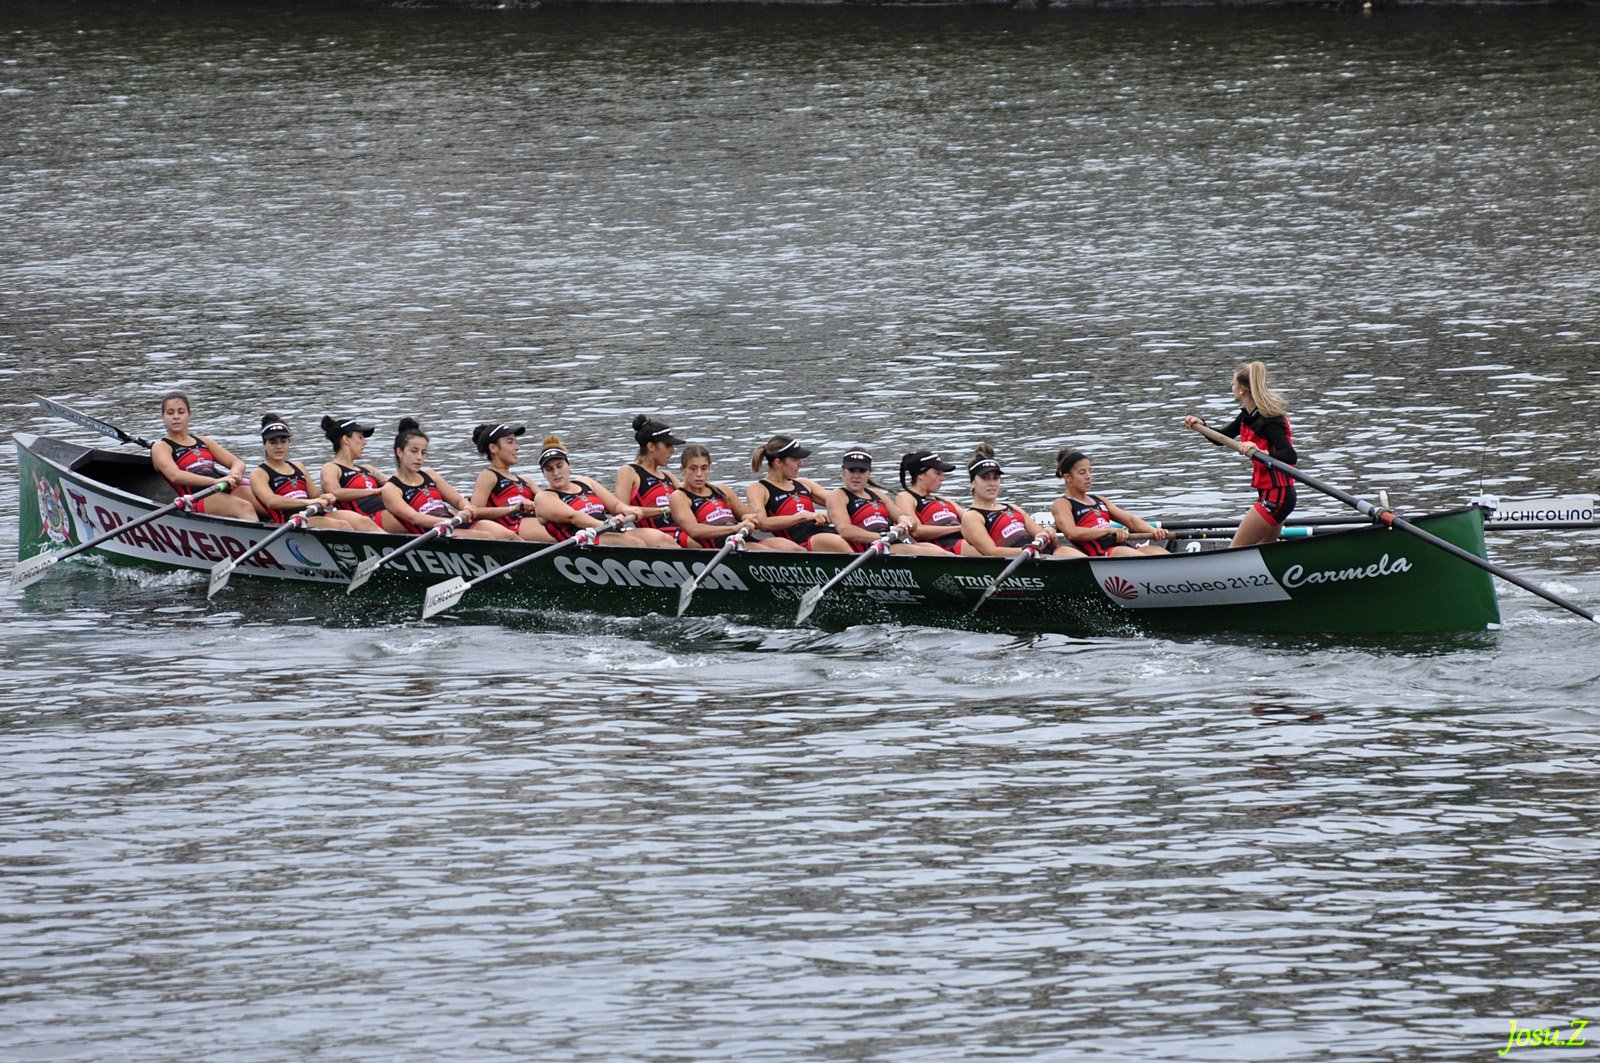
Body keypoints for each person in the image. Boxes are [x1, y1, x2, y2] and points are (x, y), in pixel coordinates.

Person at [1184, 361, 1298, 548]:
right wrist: (1201, 426)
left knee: (1235, 549)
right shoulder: (1247, 415)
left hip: (1277, 496)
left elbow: (1290, 455)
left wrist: (1264, 452)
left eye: (1233, 383)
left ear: (1243, 389)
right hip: (1270, 494)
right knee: (1262, 551)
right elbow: (1223, 438)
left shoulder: (1269, 420)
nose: (1232, 387)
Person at [380, 417, 517, 540]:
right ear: (399, 452)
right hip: (434, 534)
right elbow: (414, 518)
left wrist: (466, 507)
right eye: (414, 451)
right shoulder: (391, 489)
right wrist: (447, 522)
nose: (419, 457)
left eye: (424, 452)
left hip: (453, 523)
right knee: (486, 537)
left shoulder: (430, 475)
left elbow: (457, 499)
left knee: (509, 535)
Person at [533, 436, 682, 548]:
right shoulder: (544, 497)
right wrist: (607, 523)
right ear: (544, 473)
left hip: (608, 530)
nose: (556, 473)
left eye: (559, 466)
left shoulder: (586, 482)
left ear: (568, 465)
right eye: (549, 469)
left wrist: (628, 509)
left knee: (663, 539)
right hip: (584, 540)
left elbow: (616, 505)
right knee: (635, 544)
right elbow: (574, 517)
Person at [249, 415, 380, 532]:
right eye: (273, 442)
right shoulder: (259, 473)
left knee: (363, 522)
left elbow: (316, 495)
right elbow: (272, 502)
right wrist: (308, 502)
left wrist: (326, 497)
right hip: (291, 521)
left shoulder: (298, 466)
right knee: (342, 526)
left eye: (283, 442)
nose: (278, 447)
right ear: (264, 444)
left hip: (313, 513)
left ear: (289, 443)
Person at [149, 392, 261, 520]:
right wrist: (215, 481)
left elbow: (237, 462)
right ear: (163, 417)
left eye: (181, 412)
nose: (176, 417)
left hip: (222, 487)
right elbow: (175, 476)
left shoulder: (204, 441)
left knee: (266, 505)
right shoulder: (161, 447)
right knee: (245, 507)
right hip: (197, 497)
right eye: (170, 413)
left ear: (189, 415)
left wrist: (235, 472)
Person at [667, 445, 800, 551]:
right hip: (722, 546)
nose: (699, 474)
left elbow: (753, 518)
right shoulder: (679, 497)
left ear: (710, 468)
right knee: (772, 554)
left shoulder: (721, 490)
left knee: (794, 549)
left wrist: (747, 518)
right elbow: (694, 531)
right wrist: (735, 528)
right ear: (682, 470)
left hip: (742, 539)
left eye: (704, 468)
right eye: (693, 469)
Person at [960, 444, 1082, 558]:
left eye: (995, 478)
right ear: (972, 483)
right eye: (985, 478)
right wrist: (1030, 550)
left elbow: (1049, 540)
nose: (992, 483)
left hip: (1040, 554)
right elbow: (992, 552)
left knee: (1077, 557)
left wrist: (1049, 534)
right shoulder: (972, 517)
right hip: (1020, 562)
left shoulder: (1013, 507)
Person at [1051, 450, 1171, 558]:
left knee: (1159, 552)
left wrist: (1153, 530)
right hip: (1102, 554)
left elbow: (1130, 521)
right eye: (1082, 473)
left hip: (1123, 548)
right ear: (1068, 477)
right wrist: (1108, 531)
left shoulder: (1100, 500)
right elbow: (1072, 533)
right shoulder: (1062, 504)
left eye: (1090, 471)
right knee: (1133, 555)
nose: (1089, 477)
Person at [824, 449, 945, 555]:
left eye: (861, 471)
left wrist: (905, 521)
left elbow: (909, 521)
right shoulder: (838, 495)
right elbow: (845, 530)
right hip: (871, 548)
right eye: (851, 470)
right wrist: (882, 537)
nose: (856, 476)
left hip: (890, 542)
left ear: (869, 472)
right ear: (843, 471)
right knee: (935, 554)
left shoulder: (878, 494)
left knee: (939, 551)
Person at [746, 436, 852, 553]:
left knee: (858, 536)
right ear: (778, 463)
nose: (801, 464)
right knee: (840, 542)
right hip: (800, 541)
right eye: (795, 460)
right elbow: (762, 523)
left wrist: (834, 515)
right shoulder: (759, 488)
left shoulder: (804, 483)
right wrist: (804, 516)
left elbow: (842, 502)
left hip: (824, 532)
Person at [468, 422, 555, 543]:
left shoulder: (526, 481)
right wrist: (514, 508)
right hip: (511, 526)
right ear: (493, 448)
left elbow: (549, 504)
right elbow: (475, 512)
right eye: (510, 442)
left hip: (531, 521)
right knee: (559, 534)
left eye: (516, 442)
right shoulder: (488, 476)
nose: (517, 447)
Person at [615, 414, 692, 547]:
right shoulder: (629, 472)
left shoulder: (668, 476)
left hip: (679, 527)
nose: (672, 450)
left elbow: (691, 500)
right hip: (656, 534)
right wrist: (665, 510)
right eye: (668, 445)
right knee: (697, 541)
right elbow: (622, 511)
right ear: (651, 446)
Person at [319, 415, 404, 533]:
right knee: (410, 519)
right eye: (360, 437)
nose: (365, 443)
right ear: (346, 440)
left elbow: (396, 483)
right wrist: (375, 491)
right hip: (367, 519)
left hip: (388, 512)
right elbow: (334, 492)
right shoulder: (331, 468)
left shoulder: (368, 469)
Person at [894, 450, 967, 554]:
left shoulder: (944, 500)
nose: (942, 478)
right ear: (921, 475)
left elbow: (970, 519)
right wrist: (959, 528)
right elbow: (916, 531)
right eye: (937, 473)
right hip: (942, 544)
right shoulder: (906, 497)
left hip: (963, 539)